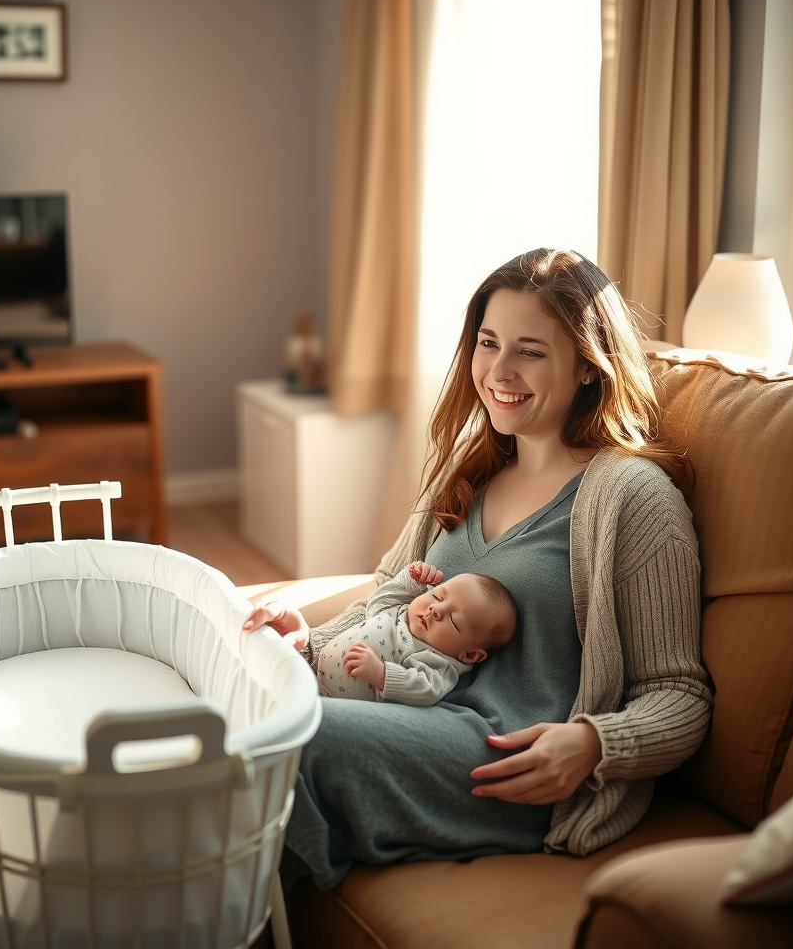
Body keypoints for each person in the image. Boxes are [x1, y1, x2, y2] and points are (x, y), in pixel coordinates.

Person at [242, 249, 712, 891]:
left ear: (586, 368)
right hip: (398, 705)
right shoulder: (468, 466)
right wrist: (311, 640)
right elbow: (386, 599)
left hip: (499, 753)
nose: (499, 369)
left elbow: (679, 694)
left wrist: (596, 744)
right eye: (488, 342)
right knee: (241, 685)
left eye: (531, 351)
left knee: (290, 738)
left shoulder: (631, 496)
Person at [316, 560, 517, 705]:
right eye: (437, 596)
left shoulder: (437, 661)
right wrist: (410, 581)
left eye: (453, 621)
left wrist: (380, 673)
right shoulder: (403, 611)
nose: (436, 609)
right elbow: (376, 604)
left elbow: (425, 690)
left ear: (470, 654)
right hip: (315, 675)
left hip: (341, 706)